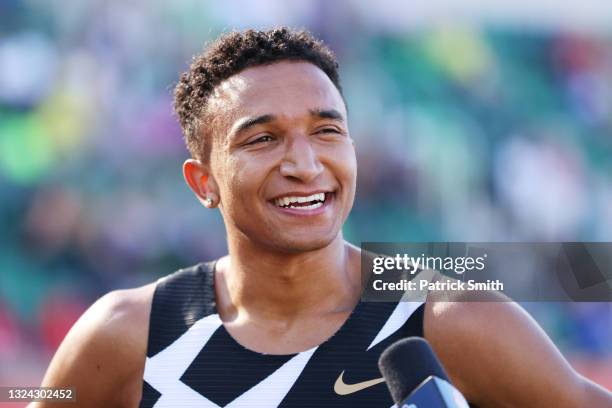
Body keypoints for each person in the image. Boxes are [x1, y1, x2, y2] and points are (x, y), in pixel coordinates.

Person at [32, 27, 612, 408]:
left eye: (327, 131)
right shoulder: (125, 335)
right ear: (203, 181)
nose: (306, 165)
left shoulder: (452, 321)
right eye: (262, 139)